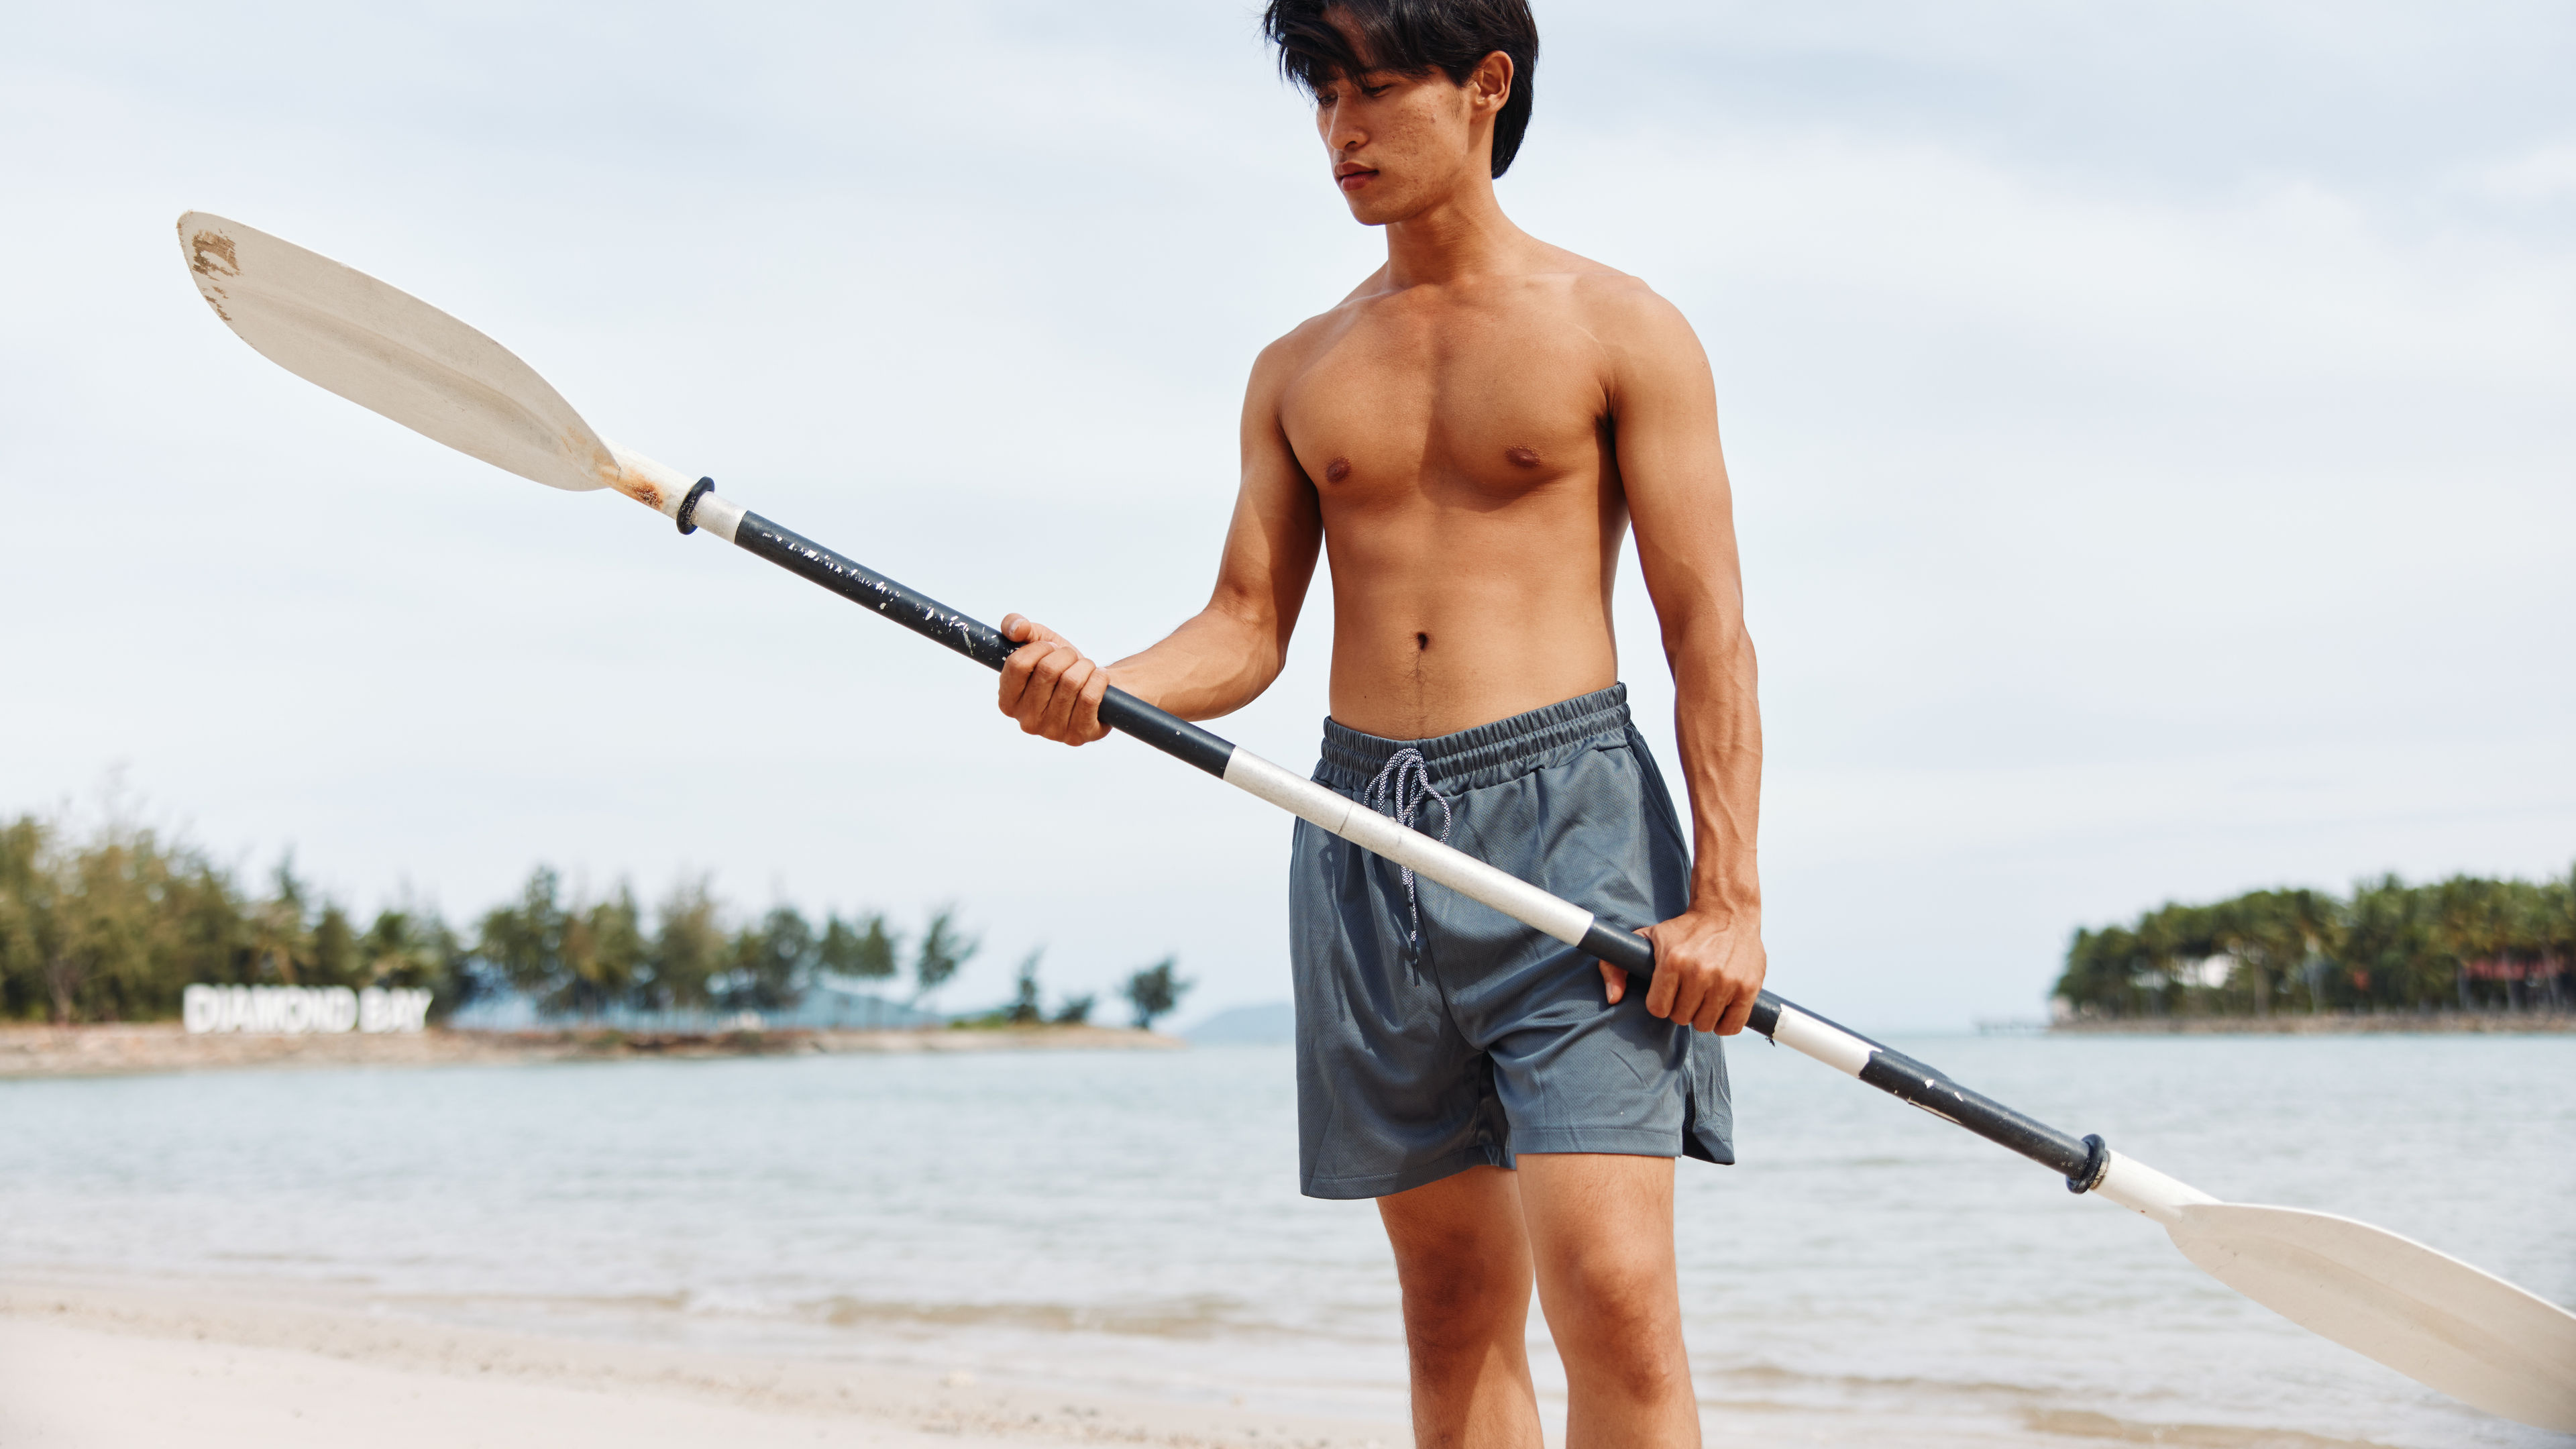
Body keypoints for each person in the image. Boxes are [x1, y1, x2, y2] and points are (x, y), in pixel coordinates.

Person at [994, 3, 1762, 1444]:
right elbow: (1243, 630)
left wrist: (1728, 899)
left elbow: (1707, 631)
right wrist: (1104, 692)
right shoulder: (1299, 366)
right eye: (1325, 95)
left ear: (1487, 88)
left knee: (1617, 1303)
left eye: (1377, 89)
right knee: (1454, 1312)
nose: (1343, 129)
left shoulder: (1622, 328)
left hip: (1567, 832)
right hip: (1354, 837)